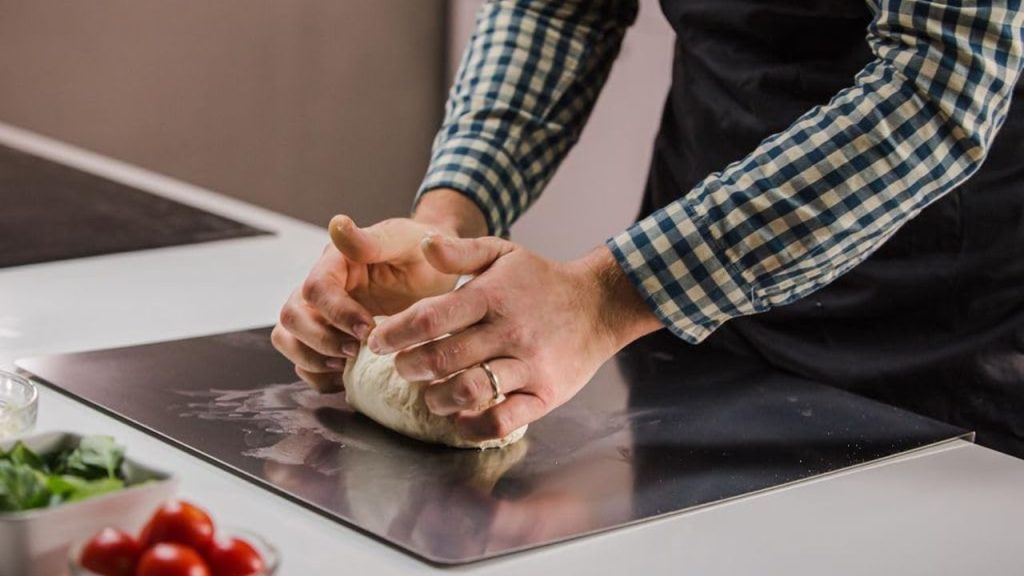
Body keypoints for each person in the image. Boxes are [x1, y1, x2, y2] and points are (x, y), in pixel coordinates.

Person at [272, 1, 1024, 457]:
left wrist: (604, 298)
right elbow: (559, 8)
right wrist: (446, 225)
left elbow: (941, 79)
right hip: (698, 317)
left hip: (947, 331)